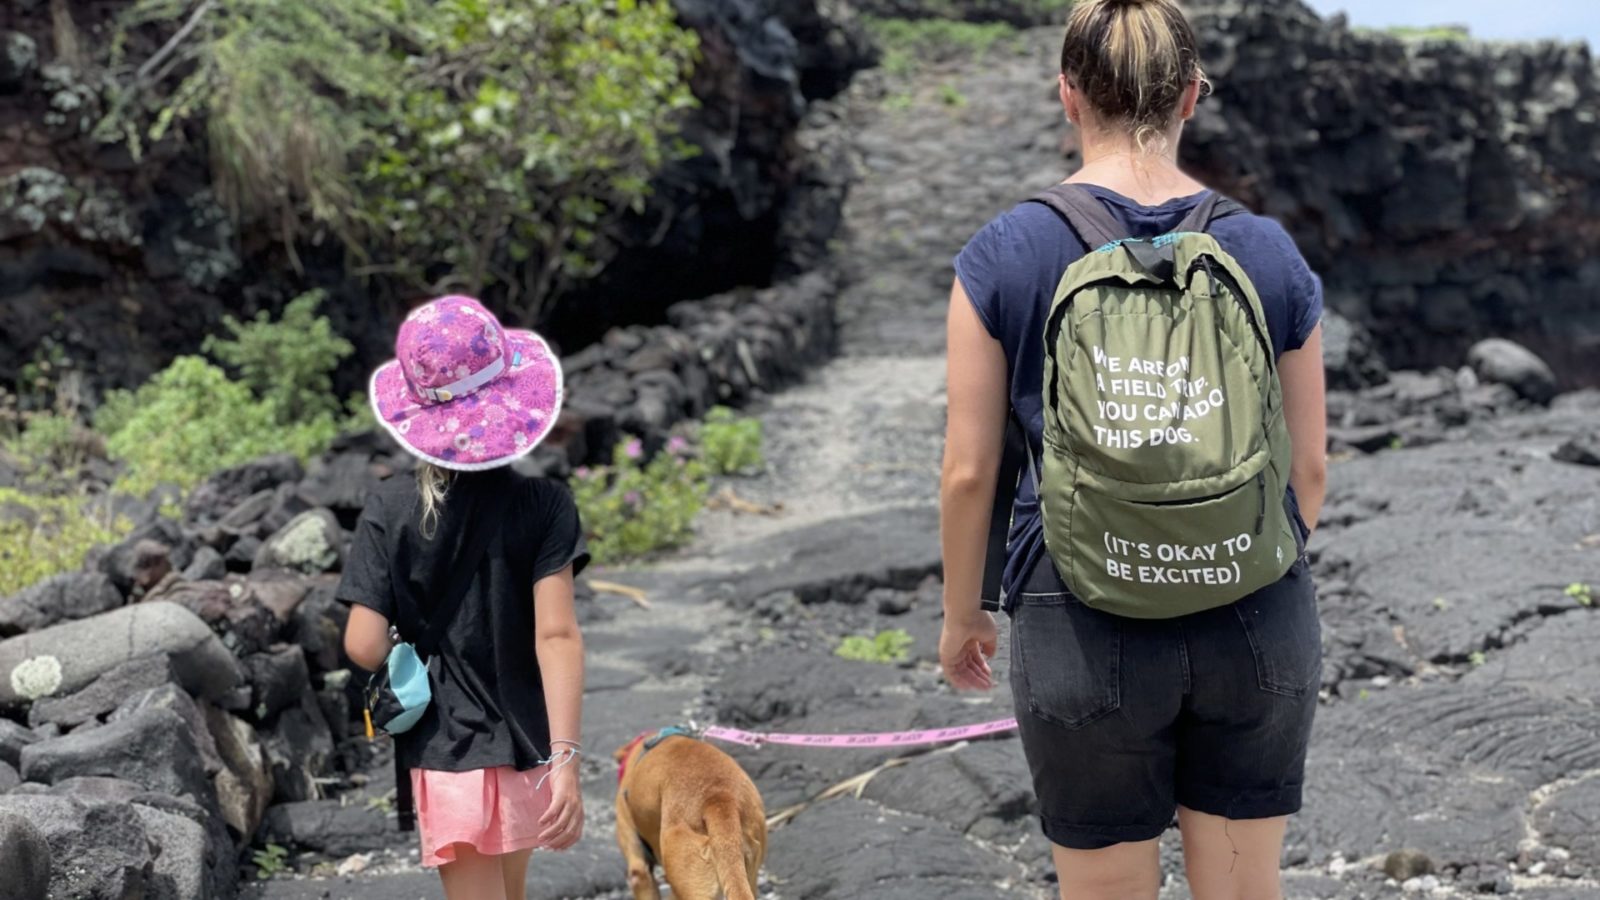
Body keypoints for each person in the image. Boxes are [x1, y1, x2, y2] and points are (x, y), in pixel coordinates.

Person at [937, 1, 1328, 898]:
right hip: (1255, 616)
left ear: (1068, 95)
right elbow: (1307, 469)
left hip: (1082, 615)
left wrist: (966, 615)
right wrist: (1236, 556)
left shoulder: (1002, 254)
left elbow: (970, 472)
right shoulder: (1267, 251)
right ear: (1192, 95)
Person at [340, 295, 590, 900]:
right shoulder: (546, 505)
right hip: (530, 742)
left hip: (447, 748)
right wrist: (567, 760)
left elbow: (364, 644)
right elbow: (555, 636)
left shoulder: (389, 508)